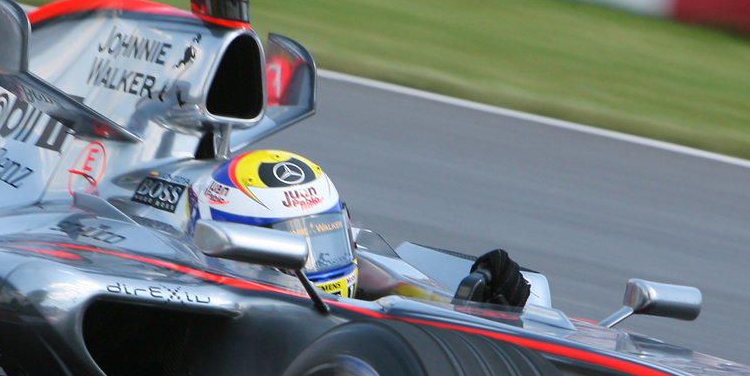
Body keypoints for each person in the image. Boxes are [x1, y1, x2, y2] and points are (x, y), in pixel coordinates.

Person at [188, 149, 531, 308]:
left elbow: (385, 285)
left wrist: (474, 306)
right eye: (296, 243)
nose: (321, 260)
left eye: (328, 237)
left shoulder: (365, 275)